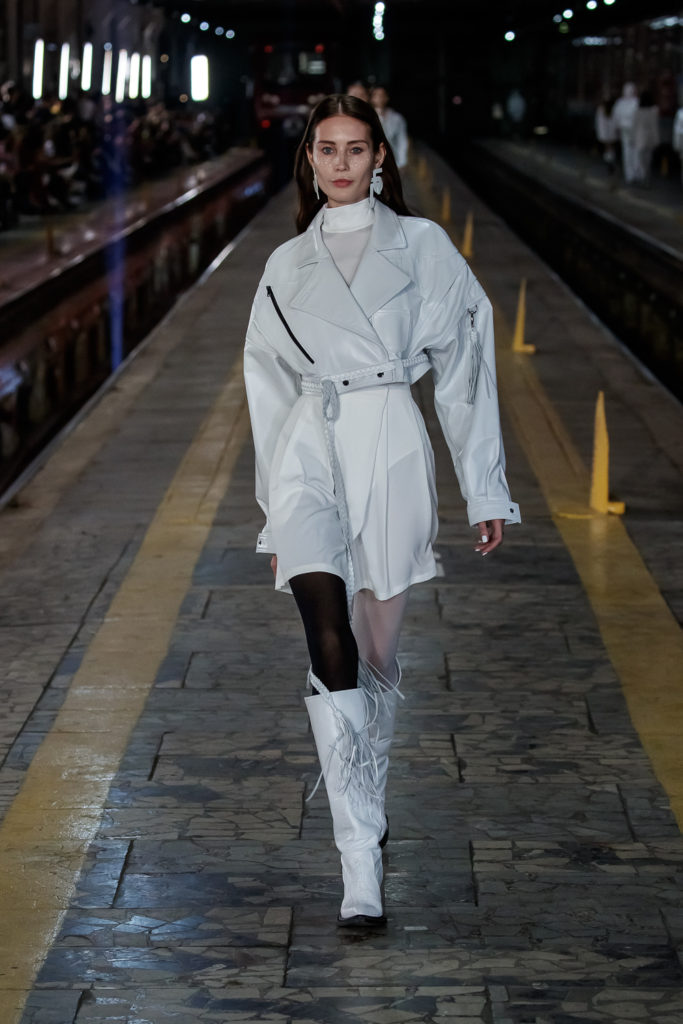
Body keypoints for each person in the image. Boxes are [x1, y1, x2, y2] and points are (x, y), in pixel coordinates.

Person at [243, 94, 520, 928]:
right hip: (307, 449)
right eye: (325, 149)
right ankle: (358, 860)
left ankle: (370, 786)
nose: (339, 163)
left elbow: (465, 365)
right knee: (327, 639)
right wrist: (272, 511)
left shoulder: (423, 246)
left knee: (376, 656)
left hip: (390, 439)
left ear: (379, 158)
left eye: (353, 149)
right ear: (309, 159)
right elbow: (266, 388)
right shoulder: (285, 263)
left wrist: (485, 486)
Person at [370, 85, 408, 168]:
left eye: (382, 95)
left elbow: (402, 140)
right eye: (376, 95)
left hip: (392, 158)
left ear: (387, 98)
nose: (379, 98)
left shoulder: (397, 118)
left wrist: (402, 162)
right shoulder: (368, 116)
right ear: (372, 98)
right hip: (373, 160)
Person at [613, 82, 639, 184]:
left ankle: (631, 175)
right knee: (633, 153)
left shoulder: (621, 103)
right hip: (631, 131)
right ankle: (633, 174)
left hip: (628, 130)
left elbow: (616, 116)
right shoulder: (635, 102)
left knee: (629, 152)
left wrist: (617, 127)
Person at [632, 90, 659, 185]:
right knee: (648, 159)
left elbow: (634, 126)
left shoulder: (637, 111)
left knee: (641, 159)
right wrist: (656, 139)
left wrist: (632, 138)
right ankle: (646, 178)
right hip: (650, 137)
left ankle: (642, 177)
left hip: (640, 137)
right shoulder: (653, 111)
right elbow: (654, 126)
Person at [595, 95, 618, 174]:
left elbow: (599, 123)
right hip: (612, 132)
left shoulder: (601, 109)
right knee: (611, 148)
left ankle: (609, 162)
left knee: (607, 148)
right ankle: (610, 162)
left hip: (605, 133)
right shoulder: (613, 109)